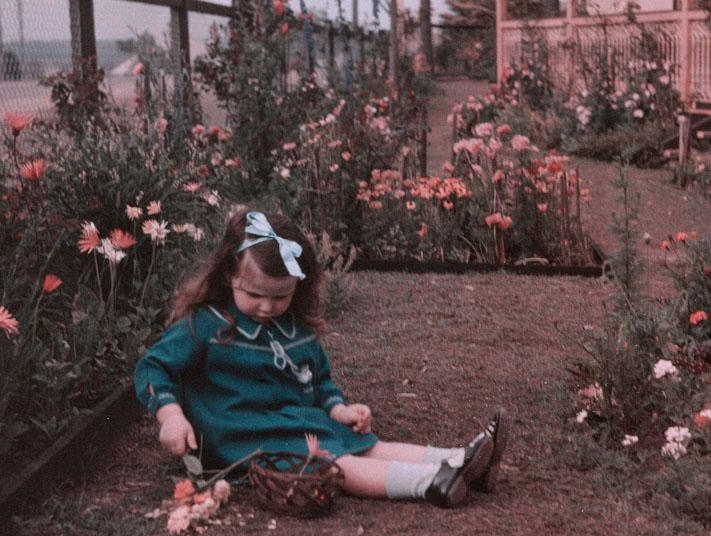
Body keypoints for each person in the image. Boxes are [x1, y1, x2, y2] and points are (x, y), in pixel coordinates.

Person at [135, 207, 507, 508]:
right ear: (230, 273)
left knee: (368, 444)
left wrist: (340, 410)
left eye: (280, 297)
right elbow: (154, 367)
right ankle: (429, 483)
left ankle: (462, 459)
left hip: (295, 422)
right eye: (255, 294)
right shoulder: (205, 326)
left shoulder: (294, 330)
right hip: (240, 435)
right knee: (335, 462)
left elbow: (319, 382)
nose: (267, 307)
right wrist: (170, 414)